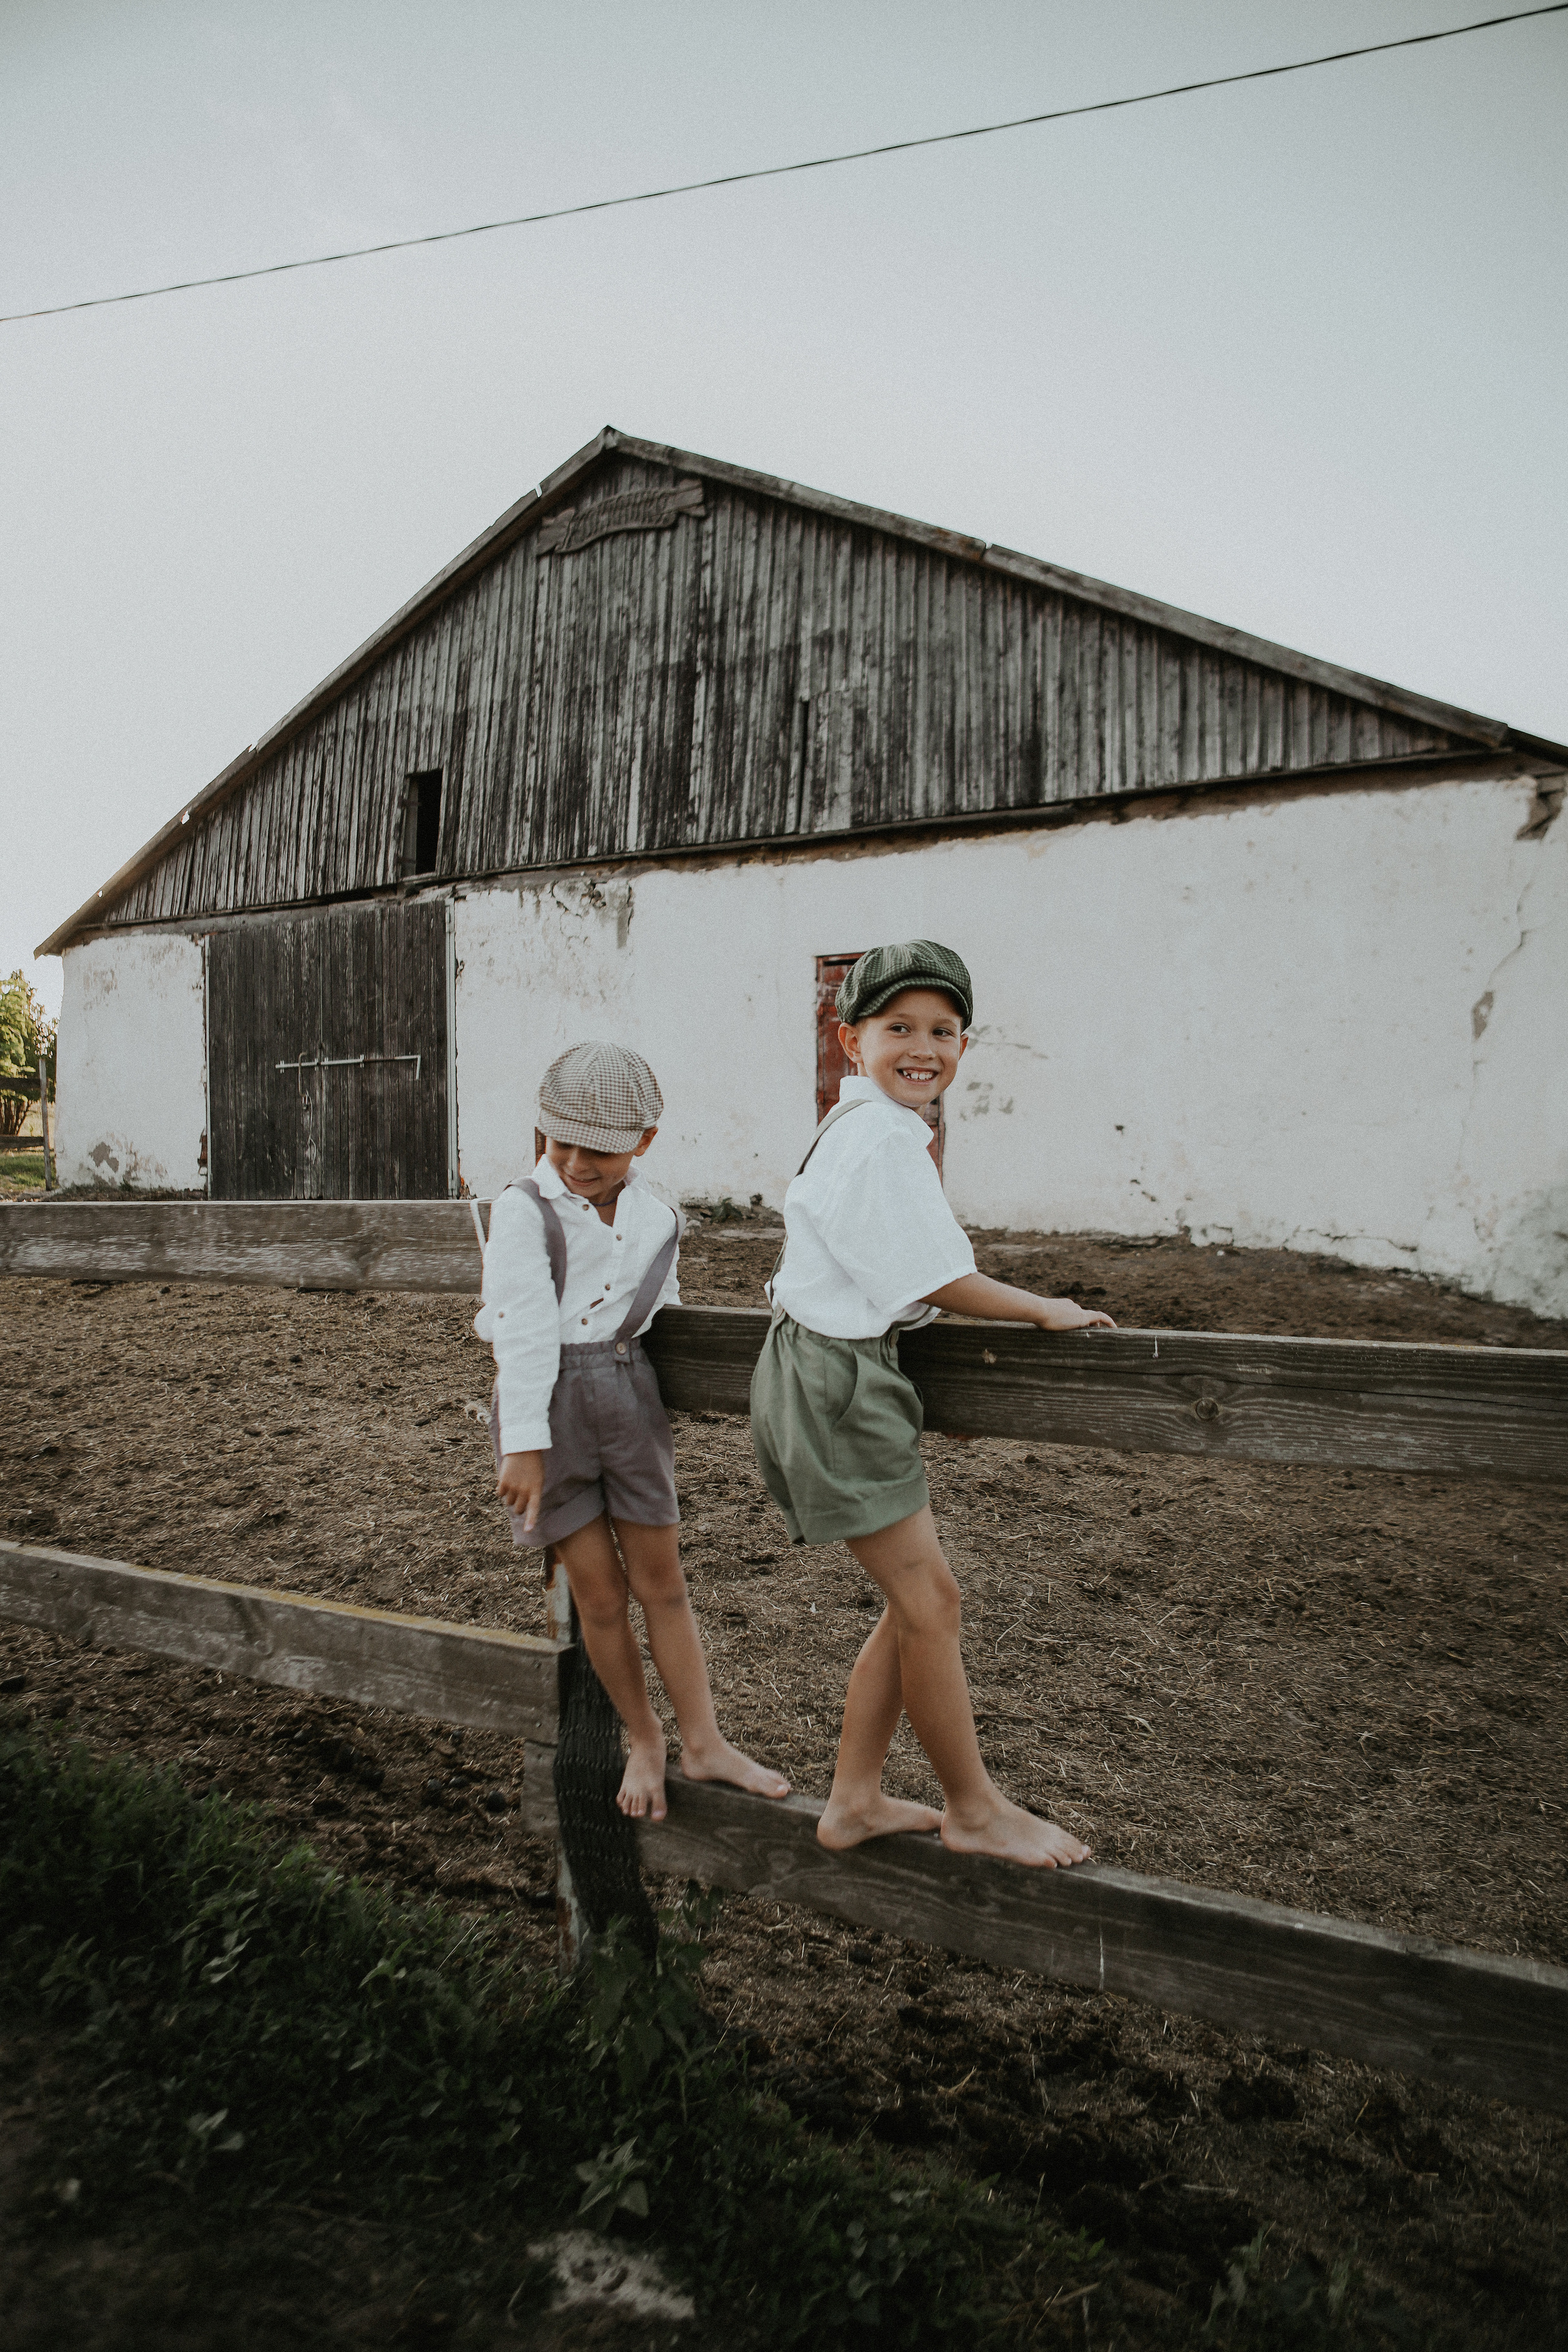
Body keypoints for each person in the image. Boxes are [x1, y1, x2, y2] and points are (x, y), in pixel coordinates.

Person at [750, 942, 1114, 1868]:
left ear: (964, 1044)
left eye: (942, 1031)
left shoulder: (858, 1125)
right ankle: (974, 1808)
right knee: (931, 1601)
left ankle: (855, 1799)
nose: (923, 1048)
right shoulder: (879, 1137)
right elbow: (933, 1276)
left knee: (914, 1601)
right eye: (898, 1028)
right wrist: (1040, 1307)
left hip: (837, 1369)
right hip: (836, 1380)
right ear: (851, 1040)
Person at [481, 1039, 789, 1822]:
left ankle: (704, 1741)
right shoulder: (523, 1209)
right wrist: (524, 1443)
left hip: (628, 1398)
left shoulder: (658, 1217)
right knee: (600, 1595)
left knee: (664, 1584)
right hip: (548, 1416)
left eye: (601, 1149)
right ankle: (645, 1738)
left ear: (644, 1142)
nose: (577, 1162)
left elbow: (660, 1307)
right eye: (562, 1142)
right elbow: (522, 1329)